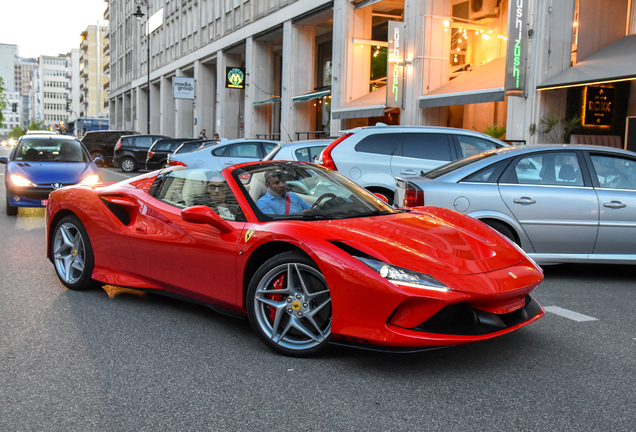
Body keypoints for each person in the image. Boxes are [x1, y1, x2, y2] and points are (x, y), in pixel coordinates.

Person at [173, 175, 237, 219]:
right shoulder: (203, 206)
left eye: (220, 187)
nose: (217, 191)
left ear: (225, 189)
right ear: (207, 189)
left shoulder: (236, 204)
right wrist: (180, 203)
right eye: (212, 187)